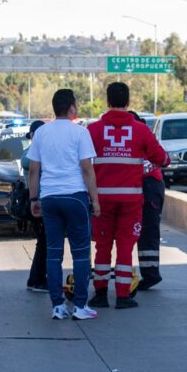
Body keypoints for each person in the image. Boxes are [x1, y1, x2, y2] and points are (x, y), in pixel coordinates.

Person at [87, 82, 169, 309]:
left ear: (107, 101)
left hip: (101, 200)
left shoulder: (93, 130)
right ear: (129, 102)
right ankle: (123, 296)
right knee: (125, 247)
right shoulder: (141, 130)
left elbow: (81, 161)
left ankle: (100, 295)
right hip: (131, 201)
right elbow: (162, 159)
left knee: (102, 246)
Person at [28, 89, 100, 320]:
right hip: (75, 197)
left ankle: (57, 306)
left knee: (54, 254)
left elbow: (33, 169)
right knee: (80, 254)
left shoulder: (41, 133)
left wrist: (33, 199)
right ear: (71, 108)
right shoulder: (80, 132)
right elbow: (87, 169)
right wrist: (95, 200)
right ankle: (80, 306)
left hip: (49, 198)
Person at [129, 111, 166, 291]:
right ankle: (147, 273)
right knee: (137, 232)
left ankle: (151, 274)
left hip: (149, 186)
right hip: (140, 186)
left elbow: (162, 158)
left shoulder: (142, 136)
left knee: (148, 231)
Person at [21, 120, 47, 292]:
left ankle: (35, 278)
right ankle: (37, 280)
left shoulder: (37, 151)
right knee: (45, 242)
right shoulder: (30, 153)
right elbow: (30, 166)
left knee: (43, 242)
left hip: (40, 201)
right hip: (36, 202)